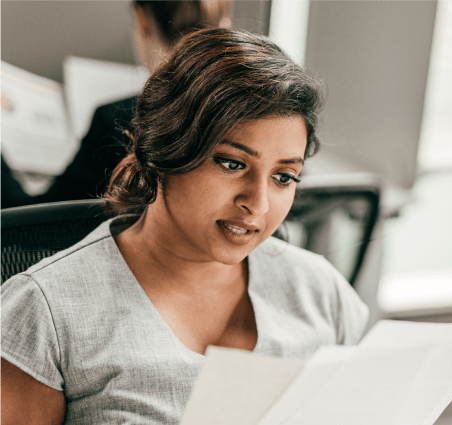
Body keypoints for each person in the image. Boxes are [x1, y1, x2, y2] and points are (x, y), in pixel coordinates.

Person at [0, 28, 369, 424]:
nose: (258, 204)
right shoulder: (45, 313)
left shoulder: (320, 292)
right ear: (164, 150)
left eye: (284, 177)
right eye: (232, 164)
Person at [0, 0, 232, 209]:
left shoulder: (118, 120)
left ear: (141, 18)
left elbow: (34, 224)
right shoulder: (240, 114)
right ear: (225, 23)